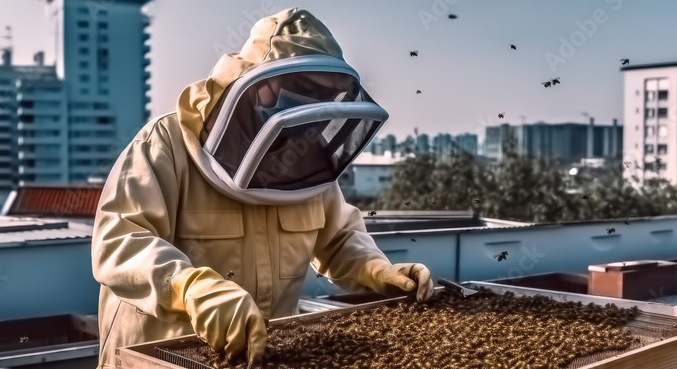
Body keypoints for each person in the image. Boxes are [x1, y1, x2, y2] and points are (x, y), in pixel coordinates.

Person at [91, 8, 434, 368]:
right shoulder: (166, 144)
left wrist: (377, 270)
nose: (310, 105)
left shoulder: (308, 159)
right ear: (255, 82)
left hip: (267, 357)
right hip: (158, 355)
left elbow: (338, 239)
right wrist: (191, 288)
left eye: (324, 94)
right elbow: (120, 241)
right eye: (302, 89)